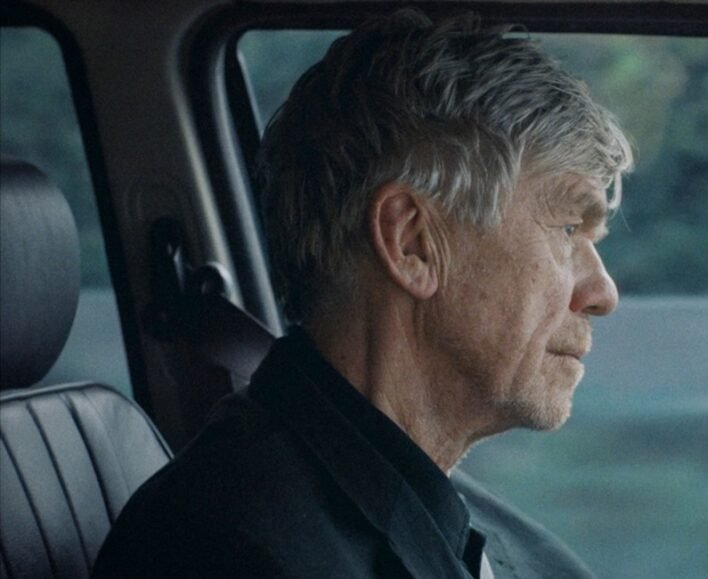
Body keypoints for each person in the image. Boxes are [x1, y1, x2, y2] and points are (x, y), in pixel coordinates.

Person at [93, 9, 631, 579]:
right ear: (413, 243)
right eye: (569, 230)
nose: (602, 293)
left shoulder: (440, 509)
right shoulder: (227, 552)